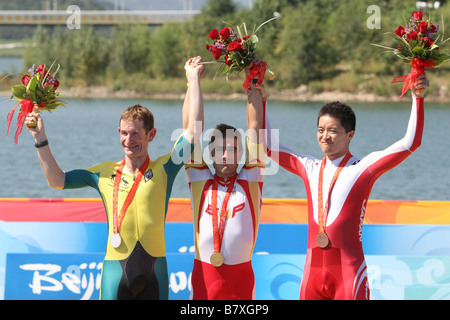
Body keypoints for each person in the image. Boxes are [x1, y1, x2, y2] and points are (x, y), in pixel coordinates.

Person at [25, 56, 205, 300]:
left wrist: (193, 80)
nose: (128, 141)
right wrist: (40, 138)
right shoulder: (103, 172)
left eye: (136, 134)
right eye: (124, 133)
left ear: (151, 135)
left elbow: (193, 133)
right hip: (114, 270)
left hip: (155, 270)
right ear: (118, 132)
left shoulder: (166, 167)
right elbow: (57, 181)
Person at [263, 74, 429, 300]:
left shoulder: (363, 167)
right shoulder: (308, 166)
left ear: (350, 134)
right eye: (320, 130)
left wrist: (417, 98)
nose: (325, 137)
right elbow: (267, 146)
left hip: (349, 274)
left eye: (332, 131)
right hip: (311, 274)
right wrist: (260, 101)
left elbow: (411, 142)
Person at [184, 61, 266, 299]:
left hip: (240, 282)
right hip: (203, 277)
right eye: (219, 149)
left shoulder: (252, 178)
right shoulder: (199, 178)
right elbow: (190, 128)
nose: (226, 155)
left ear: (242, 154)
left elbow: (255, 127)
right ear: (210, 154)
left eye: (232, 149)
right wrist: (193, 82)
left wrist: (252, 79)